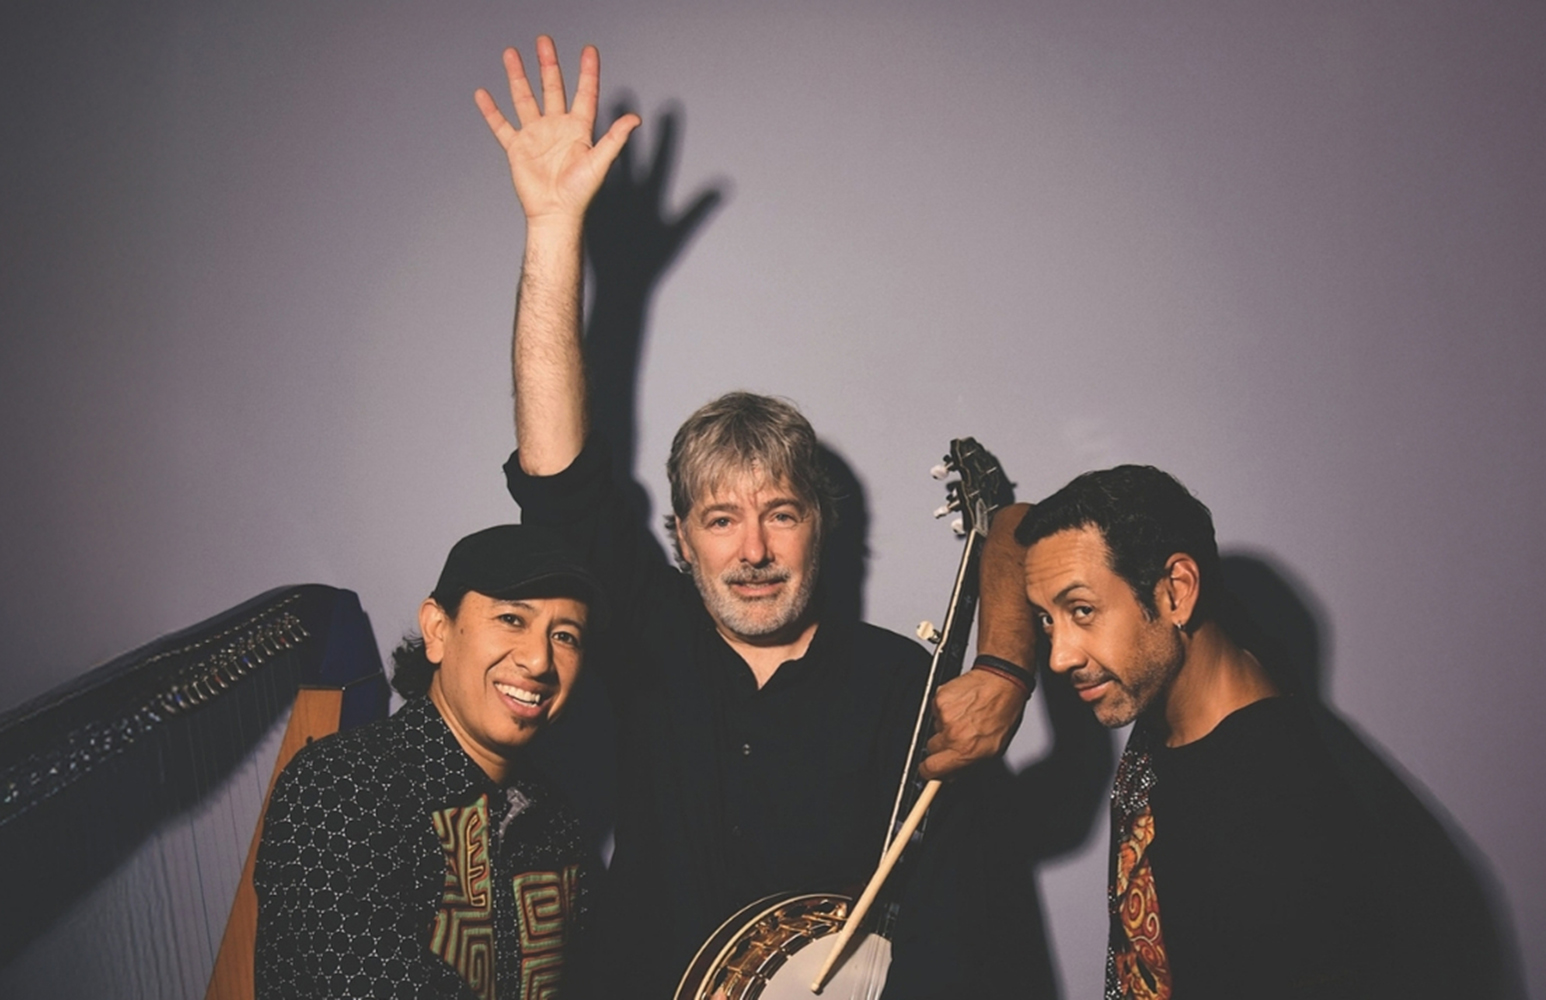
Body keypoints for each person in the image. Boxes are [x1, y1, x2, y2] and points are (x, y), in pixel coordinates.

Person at [474, 36, 1047, 999]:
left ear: (822, 524)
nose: (753, 550)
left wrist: (1005, 668)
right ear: (680, 540)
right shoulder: (645, 639)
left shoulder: (896, 685)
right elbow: (555, 476)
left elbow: (961, 934)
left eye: (781, 513)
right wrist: (552, 230)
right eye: (719, 519)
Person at [1004, 466, 1396, 999]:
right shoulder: (1176, 692)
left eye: (1082, 610)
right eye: (1046, 620)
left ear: (1176, 593)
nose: (1058, 657)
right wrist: (998, 669)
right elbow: (1007, 527)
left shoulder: (1279, 816)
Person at [254, 524, 606, 999]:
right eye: (511, 619)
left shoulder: (556, 819)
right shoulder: (338, 786)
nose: (539, 660)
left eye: (565, 636)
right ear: (437, 630)